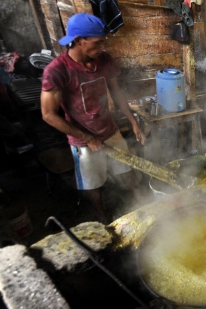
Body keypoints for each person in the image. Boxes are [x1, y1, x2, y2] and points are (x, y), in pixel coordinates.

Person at [41, 13, 146, 224]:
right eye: (97, 43)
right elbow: (48, 115)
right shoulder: (57, 71)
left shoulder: (104, 60)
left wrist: (133, 121)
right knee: (93, 183)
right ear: (79, 40)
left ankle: (143, 203)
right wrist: (86, 137)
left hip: (109, 129)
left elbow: (116, 93)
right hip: (83, 140)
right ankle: (101, 215)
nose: (102, 48)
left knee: (127, 169)